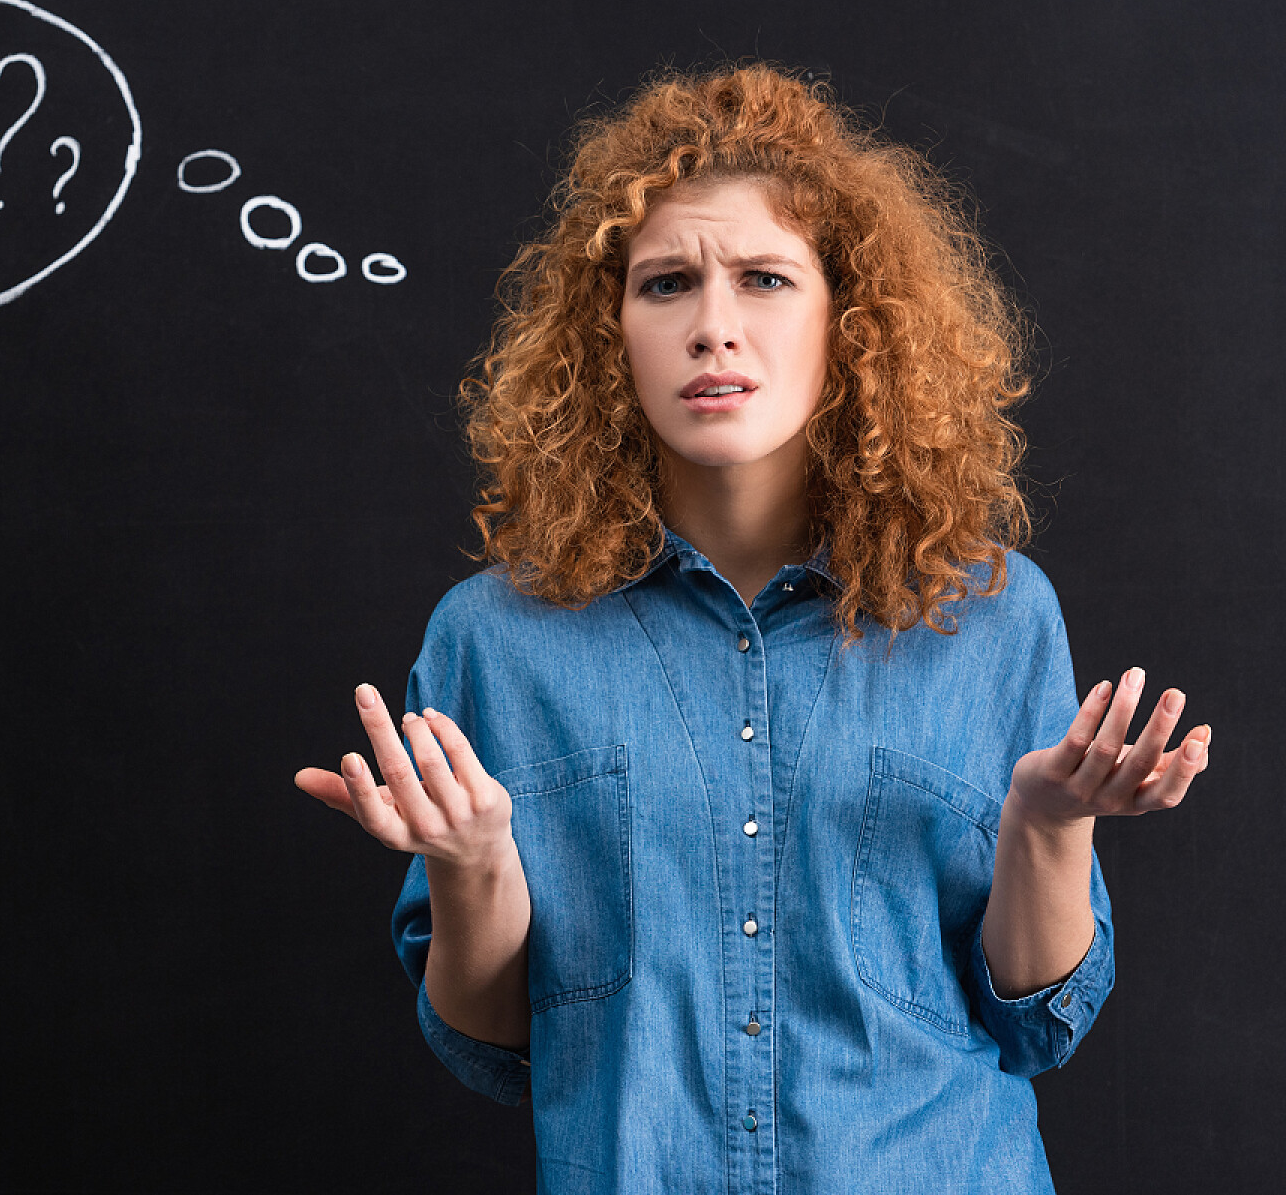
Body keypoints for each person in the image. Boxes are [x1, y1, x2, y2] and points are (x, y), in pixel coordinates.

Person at [293, 64, 1213, 1192]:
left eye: (767, 278)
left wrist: (1043, 824)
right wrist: (474, 864)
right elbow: (495, 1052)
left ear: (852, 323)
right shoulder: (495, 640)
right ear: (608, 334)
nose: (713, 328)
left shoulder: (991, 612)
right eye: (667, 283)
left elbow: (1036, 1027)